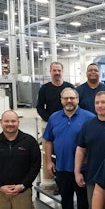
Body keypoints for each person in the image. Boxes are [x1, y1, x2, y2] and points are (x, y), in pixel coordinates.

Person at [43, 88, 94, 209]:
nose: (69, 101)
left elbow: (94, 142)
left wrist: (90, 158)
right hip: (62, 168)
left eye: (72, 98)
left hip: (82, 170)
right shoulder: (54, 118)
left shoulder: (89, 118)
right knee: (65, 200)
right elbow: (48, 140)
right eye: (66, 98)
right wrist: (49, 162)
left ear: (78, 99)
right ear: (61, 100)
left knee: (83, 201)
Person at [36, 61, 75, 195]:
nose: (57, 73)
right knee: (53, 153)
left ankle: (71, 180)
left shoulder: (69, 87)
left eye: (59, 70)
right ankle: (59, 183)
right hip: (52, 124)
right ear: (50, 72)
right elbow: (39, 107)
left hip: (69, 122)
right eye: (54, 70)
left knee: (68, 151)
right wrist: (51, 119)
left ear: (62, 72)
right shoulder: (44, 89)